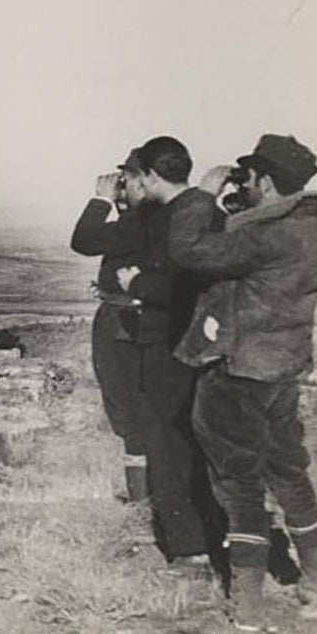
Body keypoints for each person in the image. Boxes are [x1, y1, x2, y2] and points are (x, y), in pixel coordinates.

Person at [167, 134, 317, 631]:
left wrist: (201, 196)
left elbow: (189, 253)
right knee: (289, 472)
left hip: (238, 372)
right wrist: (242, 210)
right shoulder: (312, 233)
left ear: (262, 179)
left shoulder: (265, 237)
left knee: (240, 488)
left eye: (250, 179)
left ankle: (247, 613)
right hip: (282, 370)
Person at [114, 137, 227, 565]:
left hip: (168, 340)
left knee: (164, 440)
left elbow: (178, 283)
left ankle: (187, 546)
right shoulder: (206, 213)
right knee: (199, 441)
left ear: (150, 176)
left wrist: (135, 284)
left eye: (135, 176)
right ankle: (213, 535)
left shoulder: (172, 220)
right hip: (204, 343)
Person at [70, 149, 154, 503]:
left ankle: (142, 499)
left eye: (128, 179)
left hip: (124, 324)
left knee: (128, 415)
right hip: (143, 317)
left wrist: (101, 199)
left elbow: (84, 241)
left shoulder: (138, 223)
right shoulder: (164, 219)